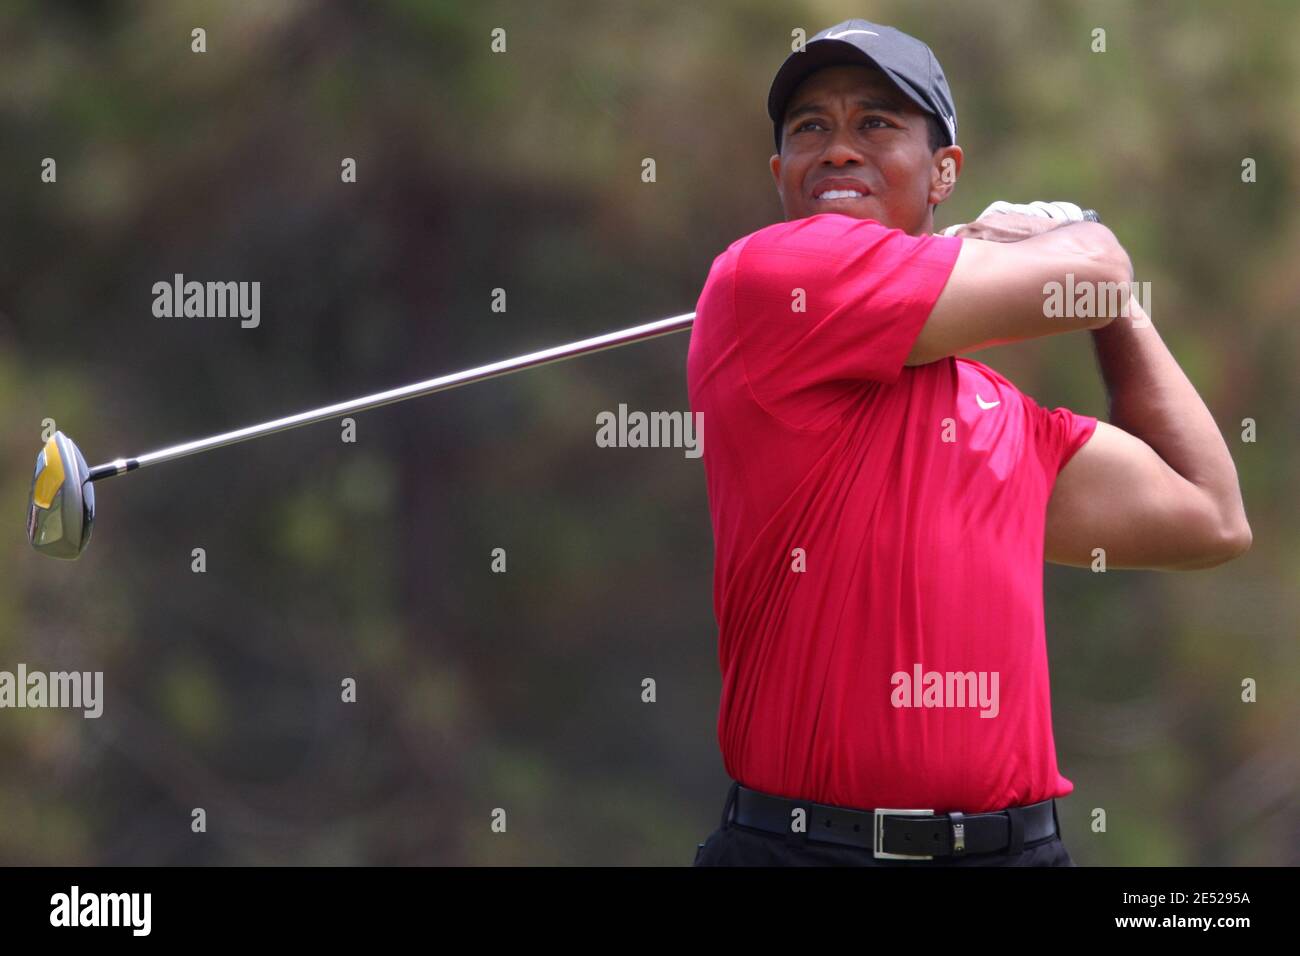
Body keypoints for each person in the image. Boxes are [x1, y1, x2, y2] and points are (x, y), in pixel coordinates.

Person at [687, 19, 1252, 866]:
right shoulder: (766, 282)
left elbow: (1209, 516)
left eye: (876, 123)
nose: (839, 148)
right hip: (801, 852)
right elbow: (1088, 273)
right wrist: (1082, 231)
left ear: (945, 172)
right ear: (781, 175)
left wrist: (1125, 314)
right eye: (812, 127)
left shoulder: (1000, 414)